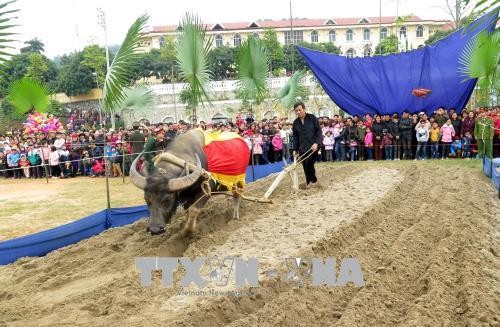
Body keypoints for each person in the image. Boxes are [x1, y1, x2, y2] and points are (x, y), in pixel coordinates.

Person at [292, 101, 322, 189]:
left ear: (304, 109)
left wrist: (316, 143)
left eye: (300, 110)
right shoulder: (295, 123)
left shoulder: (312, 118)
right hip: (302, 148)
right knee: (305, 166)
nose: (298, 112)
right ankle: (309, 182)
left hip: (313, 147)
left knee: (309, 163)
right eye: (296, 111)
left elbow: (319, 132)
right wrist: (295, 149)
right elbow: (295, 137)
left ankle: (314, 181)